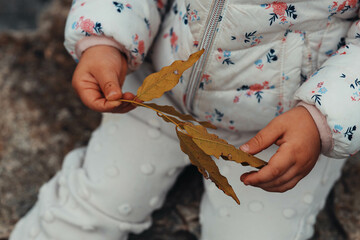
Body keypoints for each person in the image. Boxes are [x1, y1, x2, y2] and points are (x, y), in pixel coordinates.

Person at [10, 0, 360, 239]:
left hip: (279, 131)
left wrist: (321, 117)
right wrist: (106, 39)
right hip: (155, 93)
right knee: (94, 198)